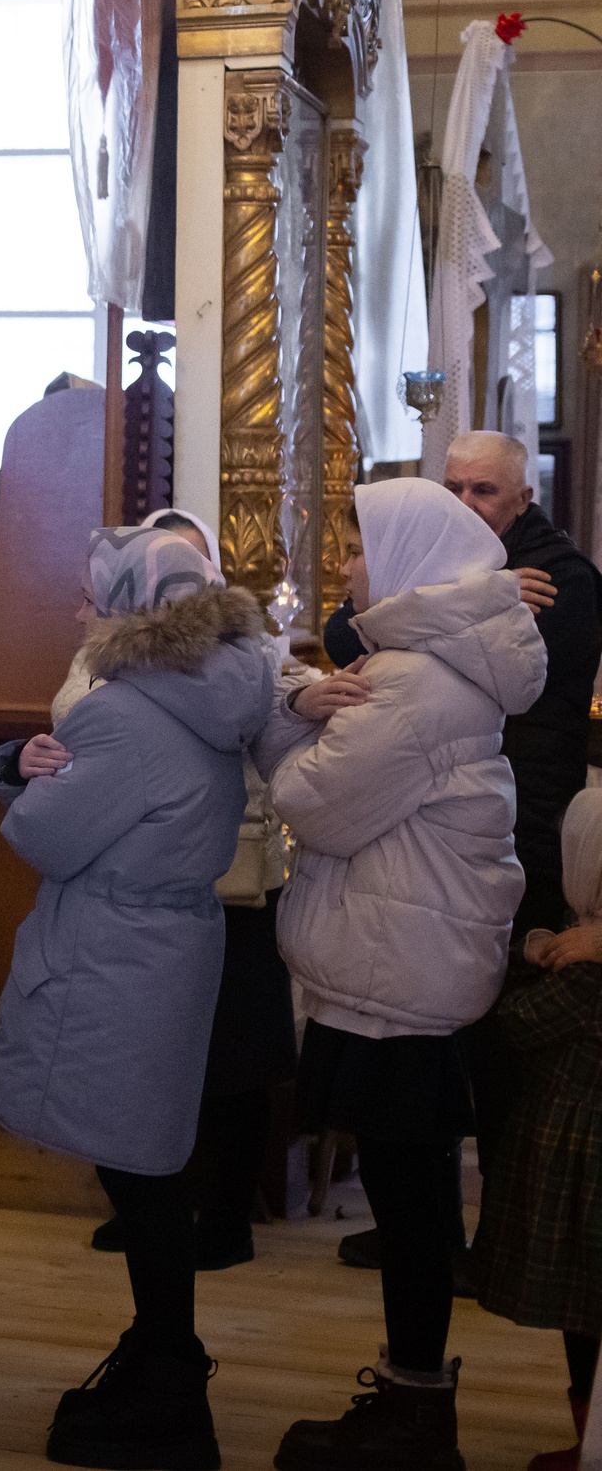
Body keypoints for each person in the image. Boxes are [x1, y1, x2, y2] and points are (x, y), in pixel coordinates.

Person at [0, 526, 270, 1470]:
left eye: (95, 596)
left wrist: (11, 775)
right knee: (152, 1171)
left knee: (142, 1184)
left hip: (116, 954)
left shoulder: (124, 713)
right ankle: (160, 1356)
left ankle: (171, 1381)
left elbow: (46, 839)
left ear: (134, 609)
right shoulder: (219, 694)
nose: (81, 611)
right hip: (171, 942)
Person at [264, 478, 545, 1471]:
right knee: (409, 1193)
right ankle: (408, 1394)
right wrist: (314, 702)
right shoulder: (421, 665)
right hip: (405, 958)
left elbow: (318, 803)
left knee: (410, 1201)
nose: (346, 566)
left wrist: (289, 719)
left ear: (414, 561)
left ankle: (416, 1412)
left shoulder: (414, 684)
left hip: (400, 972)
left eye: (359, 548)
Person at [321, 431, 596, 1276]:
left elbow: (527, 706)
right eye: (455, 486)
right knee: (435, 1045)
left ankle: (502, 1235)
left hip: (514, 824)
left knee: (502, 1048)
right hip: (439, 822)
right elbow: (343, 633)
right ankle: (429, 1227)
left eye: (485, 491)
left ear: (523, 499)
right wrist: (477, 595)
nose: (467, 503)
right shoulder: (468, 569)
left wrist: (468, 603)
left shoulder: (563, 579)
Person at [79, 508, 306, 1274]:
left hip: (234, 878)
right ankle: (159, 1206)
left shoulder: (249, 656)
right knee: (160, 1057)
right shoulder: (117, 651)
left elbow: (279, 709)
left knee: (233, 1059)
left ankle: (224, 1212)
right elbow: (72, 717)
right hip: (172, 872)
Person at [476, 786, 602, 1471]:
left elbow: (521, 1024)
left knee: (582, 1314)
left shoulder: (589, 972)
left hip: (579, 1149)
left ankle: (591, 1440)